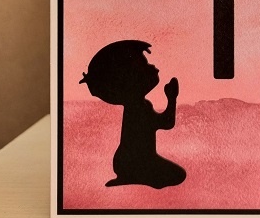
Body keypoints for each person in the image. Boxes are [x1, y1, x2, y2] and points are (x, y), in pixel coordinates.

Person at [79, 40, 186, 189]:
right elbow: (167, 123)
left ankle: (134, 177)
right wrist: (172, 98)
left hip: (125, 162)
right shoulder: (138, 107)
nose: (153, 67)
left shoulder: (138, 105)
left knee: (175, 174)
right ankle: (139, 177)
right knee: (178, 175)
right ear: (130, 79)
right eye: (145, 65)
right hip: (135, 162)